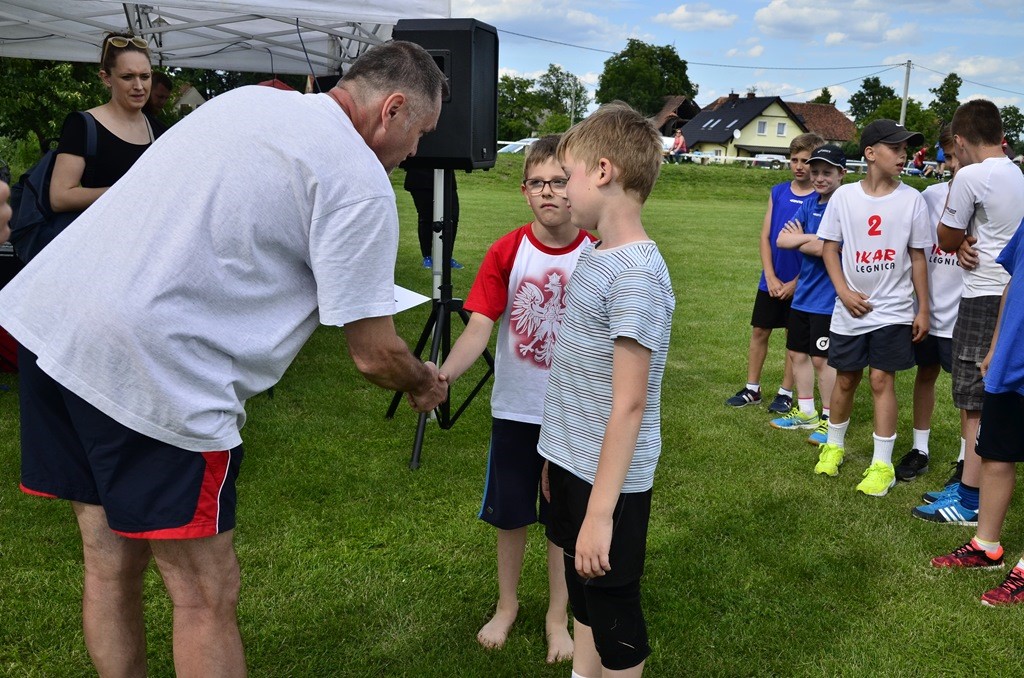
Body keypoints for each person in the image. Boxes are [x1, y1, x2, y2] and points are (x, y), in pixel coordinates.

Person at [0, 40, 450, 676]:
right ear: (394, 109)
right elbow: (375, 354)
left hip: (53, 321)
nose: (413, 154)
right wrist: (420, 382)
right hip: (151, 366)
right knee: (204, 593)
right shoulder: (358, 179)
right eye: (419, 134)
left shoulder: (249, 103)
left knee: (108, 564)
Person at [439, 135, 592, 662]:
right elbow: (480, 326)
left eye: (558, 181)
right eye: (537, 183)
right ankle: (507, 605)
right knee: (510, 515)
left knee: (560, 522)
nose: (548, 192)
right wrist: (445, 375)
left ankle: (557, 615)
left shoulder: (598, 253)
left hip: (571, 417)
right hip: (515, 411)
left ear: (578, 187)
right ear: (524, 190)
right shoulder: (507, 251)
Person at [538, 102, 675, 678]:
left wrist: (600, 514)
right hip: (571, 464)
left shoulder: (637, 273)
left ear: (602, 171)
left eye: (567, 176)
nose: (562, 190)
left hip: (609, 484)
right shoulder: (597, 255)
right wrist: (553, 453)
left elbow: (630, 403)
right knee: (581, 588)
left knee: (614, 612)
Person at [915, 100, 1024, 523]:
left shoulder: (972, 175)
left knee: (975, 400)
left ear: (959, 141)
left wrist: (957, 237)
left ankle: (969, 499)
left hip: (982, 293)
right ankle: (968, 488)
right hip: (1010, 292)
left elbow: (944, 237)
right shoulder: (1016, 171)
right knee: (982, 396)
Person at [813, 119, 931, 496]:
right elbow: (830, 248)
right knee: (846, 378)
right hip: (849, 310)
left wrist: (923, 309)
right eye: (895, 148)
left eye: (905, 149)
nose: (903, 155)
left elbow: (917, 258)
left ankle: (882, 465)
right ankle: (833, 446)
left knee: (882, 380)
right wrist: (844, 292)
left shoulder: (911, 199)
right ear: (870, 153)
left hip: (894, 309)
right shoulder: (844, 197)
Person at [929, 219, 1024, 605]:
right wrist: (997, 344)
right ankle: (986, 546)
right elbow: (1011, 282)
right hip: (1013, 360)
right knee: (995, 454)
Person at [726, 132, 824, 412]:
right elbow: (766, 236)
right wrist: (769, 274)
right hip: (771, 279)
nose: (799, 166)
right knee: (760, 331)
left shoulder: (820, 200)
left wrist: (796, 282)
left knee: (795, 341)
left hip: (802, 284)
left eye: (806, 160)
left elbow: (820, 248)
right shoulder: (778, 191)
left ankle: (785, 393)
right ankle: (752, 389)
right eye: (794, 159)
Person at [893, 125, 963, 485]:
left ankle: (968, 460)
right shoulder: (929, 196)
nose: (953, 165)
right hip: (927, 311)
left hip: (965, 315)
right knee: (926, 375)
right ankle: (920, 449)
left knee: (969, 394)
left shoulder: (990, 201)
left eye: (957, 156)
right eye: (948, 157)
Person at [770, 145, 845, 445]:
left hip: (827, 299)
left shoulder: (844, 204)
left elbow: (832, 247)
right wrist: (815, 240)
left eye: (827, 172)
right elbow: (781, 239)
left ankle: (829, 419)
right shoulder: (809, 202)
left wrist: (805, 241)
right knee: (797, 353)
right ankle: (806, 413)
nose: (819, 178)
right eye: (815, 172)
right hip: (803, 295)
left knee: (821, 360)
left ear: (842, 173)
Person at [49, 32, 165, 218]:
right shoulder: (82, 125)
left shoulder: (158, 130)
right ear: (106, 78)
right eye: (127, 77)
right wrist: (124, 192)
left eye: (144, 76)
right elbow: (59, 197)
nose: (139, 86)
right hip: (102, 240)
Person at [403, 166, 463, 269]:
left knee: (452, 217)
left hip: (446, 177)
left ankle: (447, 257)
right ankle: (427, 256)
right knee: (426, 218)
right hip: (420, 177)